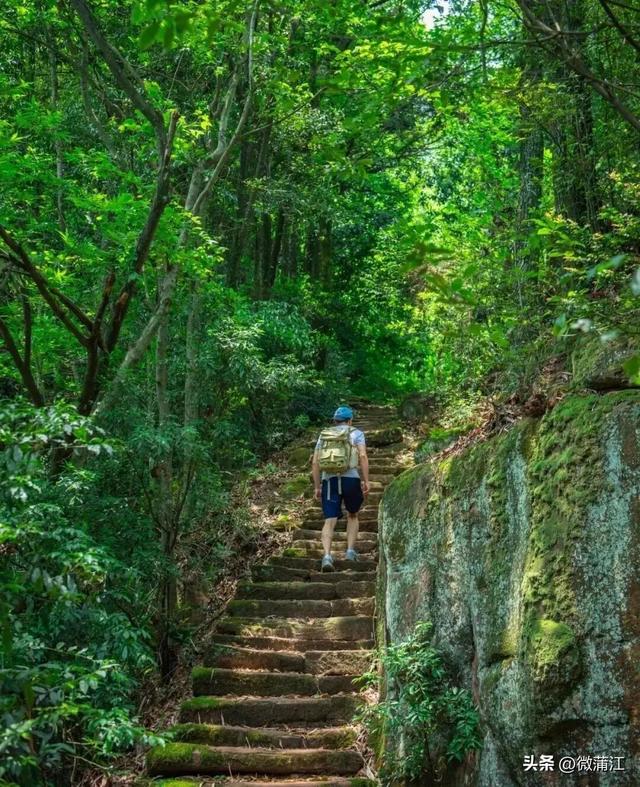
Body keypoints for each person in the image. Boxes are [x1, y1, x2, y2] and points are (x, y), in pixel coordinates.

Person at [311, 405, 370, 572]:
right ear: (350, 420)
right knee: (353, 514)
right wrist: (366, 480)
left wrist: (317, 486)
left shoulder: (324, 435)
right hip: (351, 479)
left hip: (329, 480)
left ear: (334, 421)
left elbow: (315, 462)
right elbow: (363, 456)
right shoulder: (357, 434)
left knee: (330, 519)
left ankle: (327, 556)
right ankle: (350, 552)